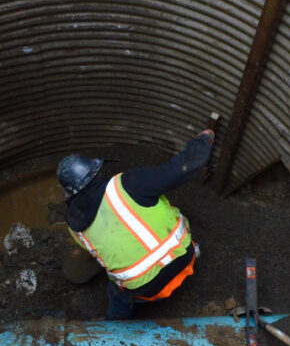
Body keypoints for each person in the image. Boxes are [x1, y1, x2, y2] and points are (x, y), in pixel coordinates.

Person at [57, 130, 214, 320]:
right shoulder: (128, 184)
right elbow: (183, 167)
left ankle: (114, 327)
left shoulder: (75, 228)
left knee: (117, 294)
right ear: (96, 172)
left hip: (145, 289)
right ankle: (194, 253)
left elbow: (101, 252)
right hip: (184, 257)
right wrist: (204, 140)